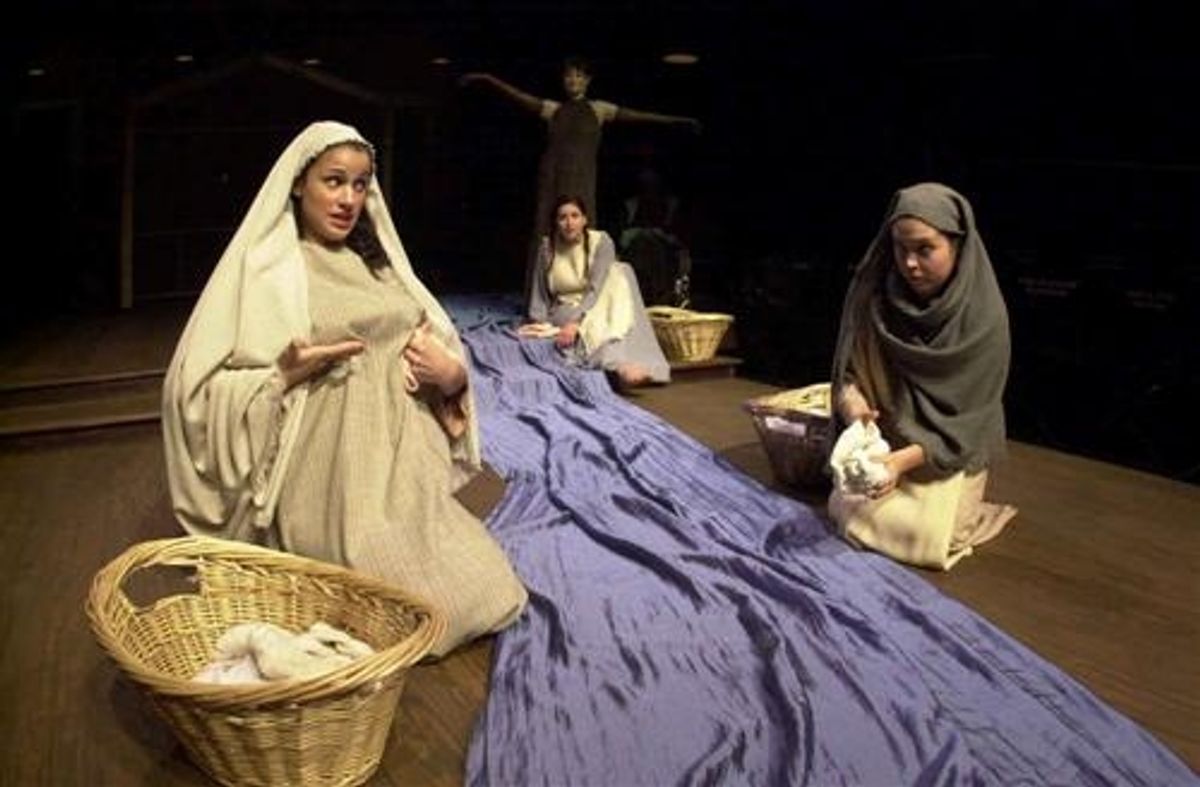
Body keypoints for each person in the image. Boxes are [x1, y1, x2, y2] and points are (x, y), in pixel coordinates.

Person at [162, 120, 528, 656]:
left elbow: (436, 344)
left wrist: (450, 376)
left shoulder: (376, 261)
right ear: (297, 183)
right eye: (333, 181)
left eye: (360, 185)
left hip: (403, 459)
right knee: (416, 609)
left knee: (492, 589)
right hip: (328, 470)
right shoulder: (267, 269)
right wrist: (281, 375)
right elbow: (189, 390)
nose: (348, 199)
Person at [826, 182, 1017, 570]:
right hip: (888, 443)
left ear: (957, 246)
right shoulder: (876, 299)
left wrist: (900, 465)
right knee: (849, 510)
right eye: (901, 248)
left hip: (946, 453)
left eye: (925, 249)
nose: (910, 263)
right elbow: (850, 373)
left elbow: (967, 422)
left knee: (931, 537)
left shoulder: (983, 320)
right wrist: (855, 409)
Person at [460, 56, 700, 299]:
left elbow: (641, 116)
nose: (573, 80)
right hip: (552, 178)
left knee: (583, 233)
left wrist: (679, 121)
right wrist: (487, 78)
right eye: (568, 76)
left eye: (578, 75)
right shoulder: (553, 110)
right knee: (545, 233)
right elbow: (518, 96)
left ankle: (583, 296)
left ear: (587, 80)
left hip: (581, 179)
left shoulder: (599, 109)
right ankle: (539, 299)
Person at [522, 195, 670, 388]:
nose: (569, 223)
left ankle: (621, 364)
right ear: (556, 222)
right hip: (565, 306)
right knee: (581, 325)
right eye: (563, 217)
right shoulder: (547, 248)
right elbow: (540, 291)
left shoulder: (601, 242)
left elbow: (597, 287)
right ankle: (616, 366)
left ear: (585, 220)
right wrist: (540, 323)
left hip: (599, 301)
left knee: (620, 275)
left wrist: (578, 322)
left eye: (575, 216)